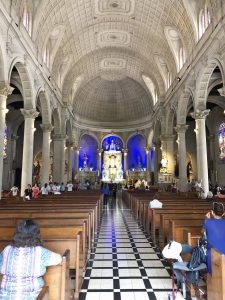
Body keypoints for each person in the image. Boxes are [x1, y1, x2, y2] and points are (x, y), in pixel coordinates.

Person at [0, 219, 62, 299]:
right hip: (31, 296)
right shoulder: (39, 251)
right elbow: (59, 259)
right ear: (36, 235)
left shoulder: (7, 249)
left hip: (5, 296)